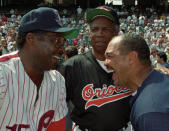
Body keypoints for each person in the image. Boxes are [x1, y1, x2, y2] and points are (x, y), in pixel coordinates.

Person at [0, 7, 77, 131]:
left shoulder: (58, 81)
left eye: (63, 42)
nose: (62, 49)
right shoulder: (3, 73)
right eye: (56, 40)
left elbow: (56, 128)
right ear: (31, 39)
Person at [59, 6, 132, 131]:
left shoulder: (130, 64)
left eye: (105, 29)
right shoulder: (71, 66)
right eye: (94, 29)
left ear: (116, 32)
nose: (99, 34)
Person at [104, 33, 169, 131]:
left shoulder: (150, 111)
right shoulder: (158, 81)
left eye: (110, 56)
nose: (105, 62)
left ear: (131, 58)